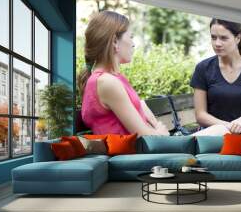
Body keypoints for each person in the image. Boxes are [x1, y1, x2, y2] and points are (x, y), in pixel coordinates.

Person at [78, 11, 229, 137]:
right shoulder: (106, 82)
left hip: (149, 150)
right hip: (144, 155)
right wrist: (160, 133)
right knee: (223, 131)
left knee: (225, 131)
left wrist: (156, 126)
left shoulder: (113, 79)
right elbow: (146, 137)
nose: (133, 43)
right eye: (130, 37)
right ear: (114, 42)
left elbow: (141, 107)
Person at [190, 19, 241, 135]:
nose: (217, 43)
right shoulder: (203, 68)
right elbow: (200, 115)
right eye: (213, 37)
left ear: (237, 38)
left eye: (223, 38)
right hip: (211, 136)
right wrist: (230, 127)